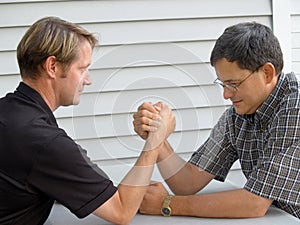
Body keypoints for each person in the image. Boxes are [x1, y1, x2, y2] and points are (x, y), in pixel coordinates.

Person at [0, 16, 175, 225]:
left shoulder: (8, 113)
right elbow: (121, 211)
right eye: (82, 68)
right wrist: (156, 138)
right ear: (52, 66)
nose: (88, 80)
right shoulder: (44, 142)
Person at [133, 22, 300, 219]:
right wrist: (156, 135)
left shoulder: (295, 107)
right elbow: (188, 182)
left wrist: (166, 204)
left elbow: (254, 203)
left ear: (267, 73)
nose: (226, 94)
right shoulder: (238, 116)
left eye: (234, 84)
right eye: (223, 84)